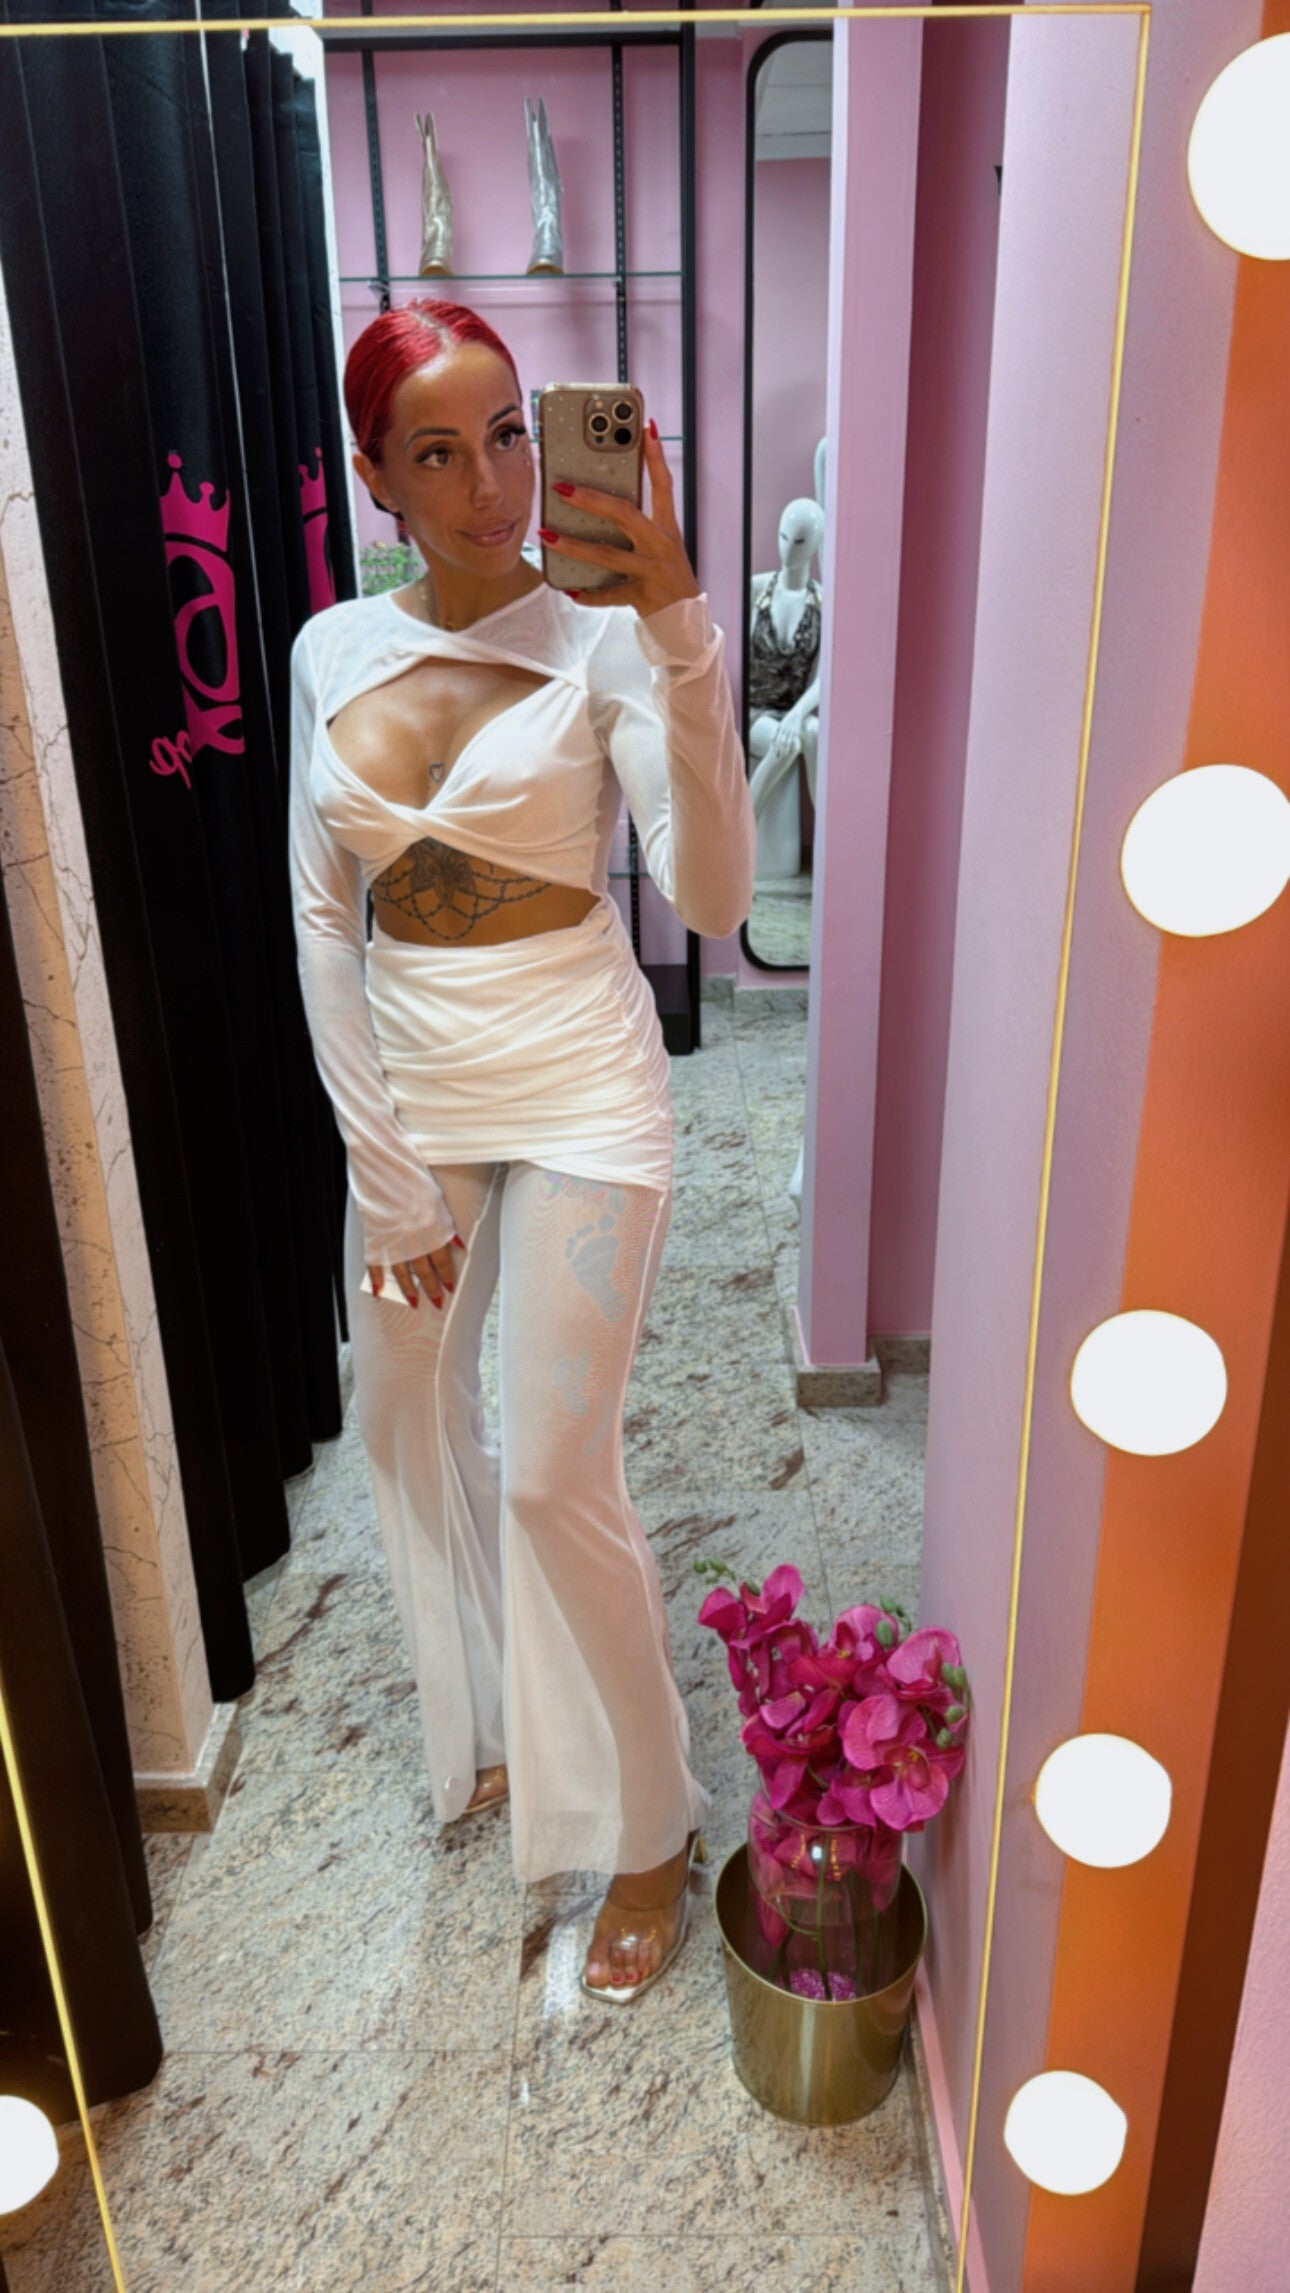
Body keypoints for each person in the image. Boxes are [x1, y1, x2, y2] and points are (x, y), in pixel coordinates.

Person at [288, 300, 755, 2002]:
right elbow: (322, 921)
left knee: (555, 1473)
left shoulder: (610, 638)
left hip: (574, 1087)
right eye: (439, 452)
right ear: (376, 478)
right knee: (403, 1425)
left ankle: (648, 1818)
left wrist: (682, 632)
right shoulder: (329, 649)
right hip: (414, 1101)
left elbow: (711, 895)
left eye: (507, 435)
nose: (492, 485)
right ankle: (485, 1719)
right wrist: (384, 1172)